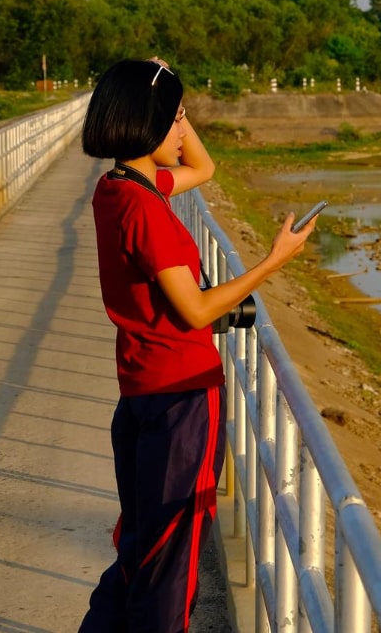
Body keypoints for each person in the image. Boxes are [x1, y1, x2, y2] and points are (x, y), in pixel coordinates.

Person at [78, 57, 315, 633]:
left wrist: (167, 93)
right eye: (178, 119)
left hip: (139, 391)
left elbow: (203, 168)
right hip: (180, 397)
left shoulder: (120, 186)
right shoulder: (146, 209)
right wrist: (271, 262)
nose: (184, 132)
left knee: (141, 547)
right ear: (150, 123)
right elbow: (200, 309)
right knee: (171, 562)